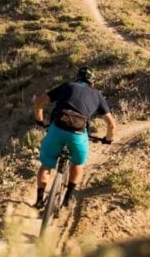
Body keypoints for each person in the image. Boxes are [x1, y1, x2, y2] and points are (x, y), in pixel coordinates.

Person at [31, 66, 116, 210]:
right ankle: (68, 198)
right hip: (78, 133)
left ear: (77, 79)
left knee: (46, 166)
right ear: (92, 82)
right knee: (77, 164)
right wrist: (108, 139)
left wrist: (40, 121)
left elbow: (39, 102)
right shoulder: (97, 95)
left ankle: (39, 200)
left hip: (57, 127)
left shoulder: (68, 86)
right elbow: (111, 124)